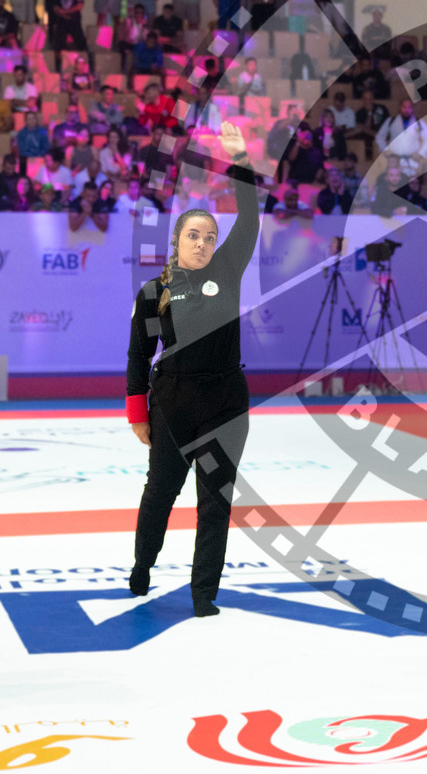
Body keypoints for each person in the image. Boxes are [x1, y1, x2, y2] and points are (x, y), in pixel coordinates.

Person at [126, 122, 257, 618]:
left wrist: (240, 159)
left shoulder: (226, 272)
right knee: (160, 493)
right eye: (193, 236)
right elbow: (138, 357)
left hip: (226, 402)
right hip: (174, 403)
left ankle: (204, 594)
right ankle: (142, 566)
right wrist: (138, 413)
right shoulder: (154, 292)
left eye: (209, 237)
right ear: (177, 240)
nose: (202, 244)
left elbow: (249, 219)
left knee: (215, 503)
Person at [375, 98, 427, 177]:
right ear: (400, 107)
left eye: (409, 107)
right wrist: (385, 150)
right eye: (404, 107)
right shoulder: (391, 121)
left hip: (413, 161)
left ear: (412, 108)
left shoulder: (419, 123)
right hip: (394, 161)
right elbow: (380, 137)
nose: (406, 110)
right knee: (396, 185)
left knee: (411, 184)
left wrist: (420, 153)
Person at [51, 0, 89, 66]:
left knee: (81, 44)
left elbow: (79, 6)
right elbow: (55, 6)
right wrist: (61, 13)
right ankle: (59, 65)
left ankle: (85, 65)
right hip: (61, 21)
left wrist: (66, 12)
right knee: (59, 45)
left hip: (74, 21)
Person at [353, 90, 389, 161]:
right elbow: (366, 129)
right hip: (368, 140)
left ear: (373, 100)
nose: (368, 102)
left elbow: (387, 124)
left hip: (383, 135)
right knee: (362, 131)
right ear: (362, 100)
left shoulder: (382, 108)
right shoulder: (359, 113)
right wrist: (370, 113)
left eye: (370, 99)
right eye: (366, 99)